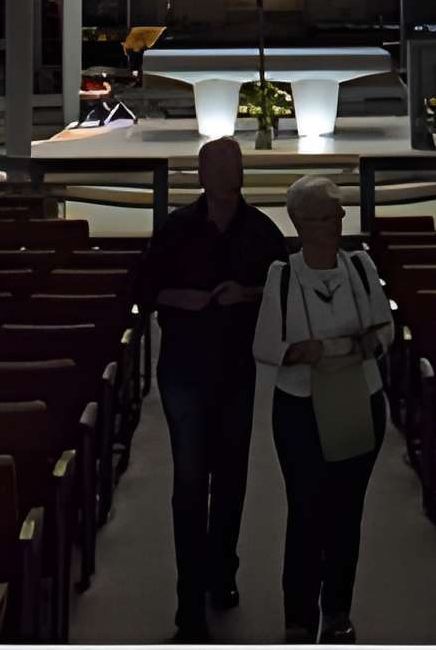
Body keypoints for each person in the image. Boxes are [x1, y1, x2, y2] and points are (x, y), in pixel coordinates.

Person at [139, 135, 284, 640]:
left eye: (236, 165)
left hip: (236, 372)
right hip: (184, 369)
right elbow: (145, 289)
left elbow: (282, 296)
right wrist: (187, 299)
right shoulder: (177, 230)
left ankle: (222, 569)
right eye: (221, 166)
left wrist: (244, 292)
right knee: (188, 482)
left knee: (230, 479)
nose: (231, 174)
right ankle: (189, 603)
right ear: (202, 176)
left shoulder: (263, 233)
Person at [253, 176, 395, 645]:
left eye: (338, 212)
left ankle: (336, 611)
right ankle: (299, 616)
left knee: (346, 512)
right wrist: (302, 352)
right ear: (302, 223)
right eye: (327, 215)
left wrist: (369, 342)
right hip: (301, 408)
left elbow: (386, 326)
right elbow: (265, 346)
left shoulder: (359, 265)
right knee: (306, 511)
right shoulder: (284, 275)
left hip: (359, 398)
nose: (338, 221)